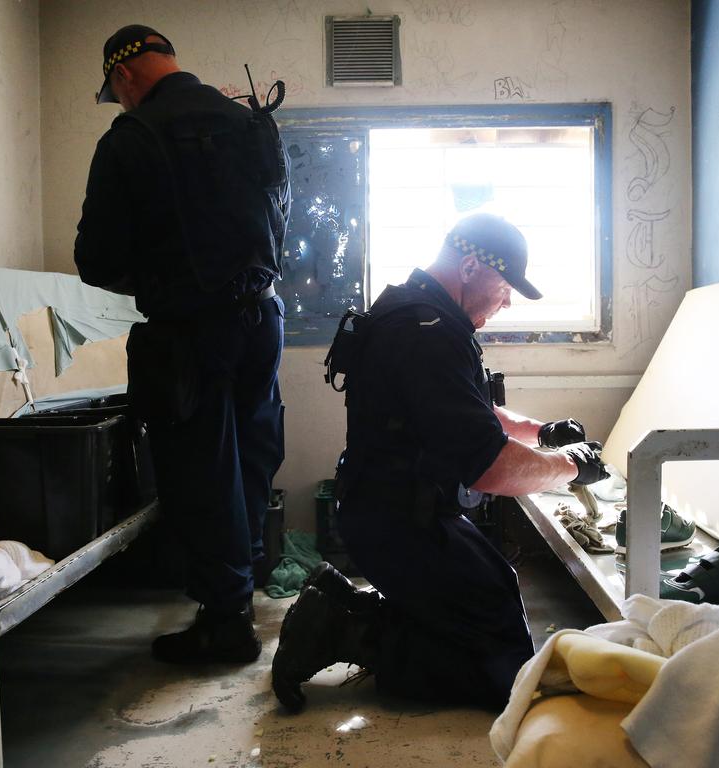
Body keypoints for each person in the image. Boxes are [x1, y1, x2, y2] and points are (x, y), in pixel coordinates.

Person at [272, 213, 608, 711]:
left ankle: (341, 600)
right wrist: (570, 465)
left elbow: (461, 408)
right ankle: (343, 631)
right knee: (502, 672)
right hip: (400, 520)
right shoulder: (426, 330)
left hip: (392, 507)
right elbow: (490, 468)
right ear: (471, 266)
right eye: (506, 285)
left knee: (496, 602)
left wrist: (538, 432)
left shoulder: (417, 310)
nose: (508, 300)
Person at [75, 24, 290, 664]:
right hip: (263, 319)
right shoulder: (250, 123)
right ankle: (240, 594)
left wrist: (155, 274)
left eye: (116, 94)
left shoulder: (132, 137)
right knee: (251, 456)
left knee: (200, 469)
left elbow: (96, 259)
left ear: (123, 76)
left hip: (189, 331)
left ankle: (225, 625)